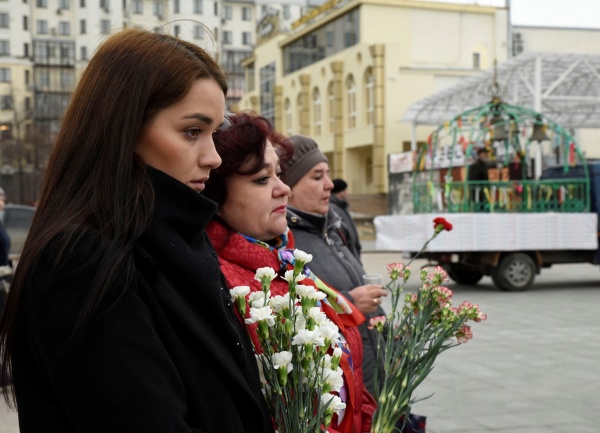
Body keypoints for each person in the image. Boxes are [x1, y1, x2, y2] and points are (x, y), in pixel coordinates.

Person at [0, 29, 274, 433]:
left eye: (214, 132)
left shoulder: (179, 243)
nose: (213, 157)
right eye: (192, 132)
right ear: (123, 129)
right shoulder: (83, 261)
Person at [203, 112, 376, 433]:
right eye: (262, 179)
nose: (283, 189)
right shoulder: (215, 281)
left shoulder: (284, 261)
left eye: (279, 174)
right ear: (215, 193)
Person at [283, 135, 387, 396]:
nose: (329, 185)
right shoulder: (286, 243)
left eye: (327, 175)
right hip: (339, 389)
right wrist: (349, 302)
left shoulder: (332, 226)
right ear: (289, 187)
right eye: (317, 177)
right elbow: (293, 321)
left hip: (373, 371)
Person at [330, 178, 362, 259]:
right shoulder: (333, 209)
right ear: (340, 192)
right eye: (345, 190)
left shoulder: (341, 207)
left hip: (352, 253)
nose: (347, 193)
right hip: (347, 255)